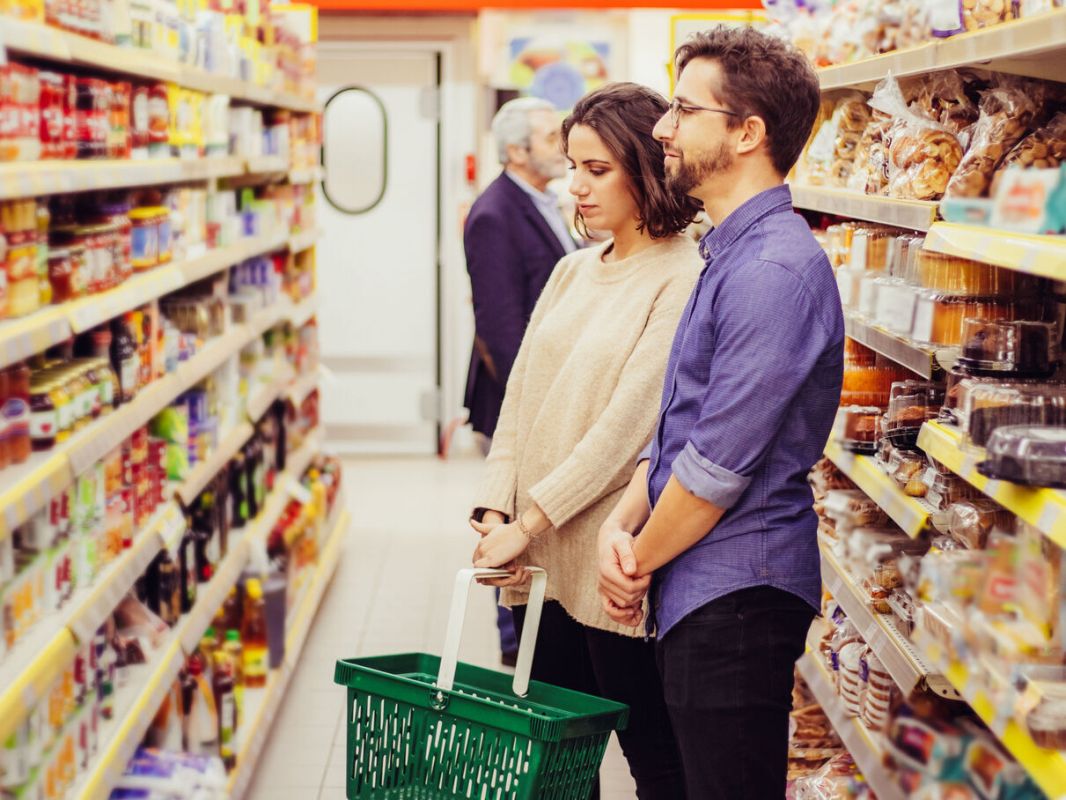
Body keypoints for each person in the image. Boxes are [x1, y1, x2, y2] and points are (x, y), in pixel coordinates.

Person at [596, 26, 844, 800]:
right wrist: (623, 517)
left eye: (682, 109)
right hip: (700, 581)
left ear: (747, 133)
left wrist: (636, 560)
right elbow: (687, 423)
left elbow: (715, 470)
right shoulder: (730, 249)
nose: (664, 128)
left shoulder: (773, 269)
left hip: (737, 595)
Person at [469, 83, 702, 799]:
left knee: (654, 761)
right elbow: (521, 403)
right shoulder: (573, 271)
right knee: (552, 768)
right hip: (537, 565)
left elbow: (626, 429)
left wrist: (531, 519)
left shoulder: (684, 275)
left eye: (597, 170)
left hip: (611, 566)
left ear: (646, 164)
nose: (575, 187)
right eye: (572, 167)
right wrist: (495, 511)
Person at [464, 97, 576, 666]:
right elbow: (502, 329)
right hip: (517, 401)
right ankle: (516, 646)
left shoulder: (545, 202)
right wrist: (536, 412)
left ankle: (535, 636)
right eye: (550, 138)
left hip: (547, 396)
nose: (564, 148)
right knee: (504, 521)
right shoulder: (494, 215)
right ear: (516, 150)